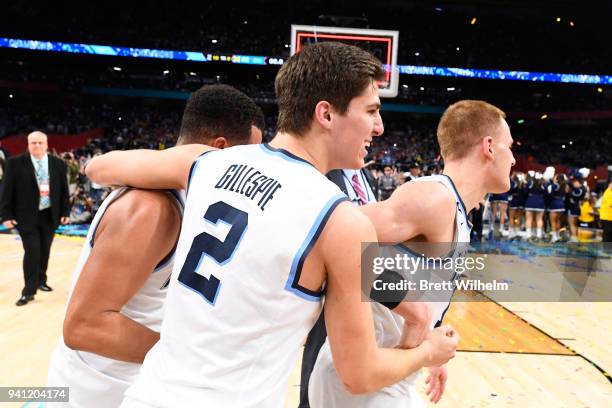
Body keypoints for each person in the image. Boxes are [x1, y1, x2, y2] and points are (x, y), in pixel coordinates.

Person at [86, 42, 458, 408]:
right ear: (326, 114)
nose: (379, 127)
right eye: (371, 110)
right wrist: (427, 350)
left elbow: (99, 168)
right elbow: (359, 374)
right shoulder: (338, 218)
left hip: (147, 395)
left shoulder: (207, 163)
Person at [46, 84, 265, 408]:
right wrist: (190, 354)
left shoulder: (194, 197)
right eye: (247, 156)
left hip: (141, 385)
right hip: (95, 393)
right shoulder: (150, 208)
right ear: (218, 149)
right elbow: (84, 326)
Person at [309, 100, 516, 407]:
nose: (513, 158)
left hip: (390, 376)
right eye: (509, 146)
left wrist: (430, 345)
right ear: (488, 147)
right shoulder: (435, 198)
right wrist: (412, 309)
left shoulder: (455, 209)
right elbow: (330, 236)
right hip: (364, 377)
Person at [0, 131, 70, 306]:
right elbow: (6, 191)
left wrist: (65, 212)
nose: (37, 146)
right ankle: (28, 291)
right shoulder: (14, 164)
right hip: (26, 217)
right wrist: (6, 215)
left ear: (46, 144)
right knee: (32, 251)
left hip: (50, 215)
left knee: (45, 250)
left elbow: (64, 191)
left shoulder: (58, 164)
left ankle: (41, 280)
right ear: (28, 144)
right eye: (33, 143)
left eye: (40, 143)